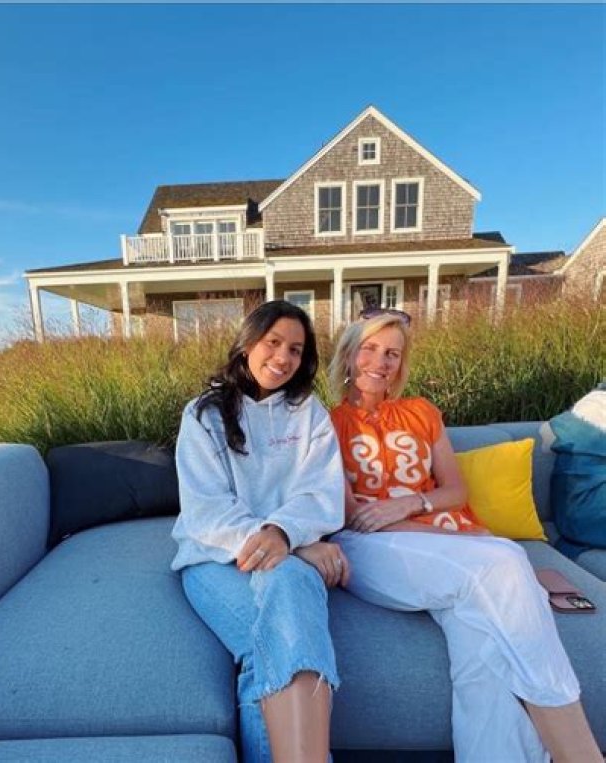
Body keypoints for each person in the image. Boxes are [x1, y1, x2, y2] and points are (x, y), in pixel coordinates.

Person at [325, 308, 601, 763]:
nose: (381, 361)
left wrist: (410, 504)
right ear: (350, 355)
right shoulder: (327, 423)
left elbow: (455, 490)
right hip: (371, 545)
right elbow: (353, 515)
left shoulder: (422, 412)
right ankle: (580, 753)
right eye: (370, 349)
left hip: (445, 538)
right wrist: (432, 532)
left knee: (480, 649)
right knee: (506, 560)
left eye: (393, 353)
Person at [171, 300, 349, 763]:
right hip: (213, 557)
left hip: (287, 551)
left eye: (296, 349)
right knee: (288, 585)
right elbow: (207, 510)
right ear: (248, 343)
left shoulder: (308, 412)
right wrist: (289, 544)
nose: (283, 357)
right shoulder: (204, 414)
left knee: (264, 650)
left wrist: (285, 536)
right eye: (273, 342)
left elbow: (322, 492)